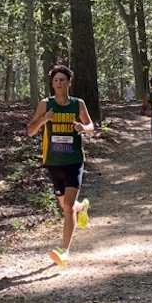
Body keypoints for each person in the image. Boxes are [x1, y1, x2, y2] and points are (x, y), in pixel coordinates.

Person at [26, 65, 95, 266]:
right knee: (68, 206)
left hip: (74, 161)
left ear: (69, 82)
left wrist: (83, 127)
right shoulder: (45, 104)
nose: (58, 83)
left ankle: (64, 251)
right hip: (53, 162)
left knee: (67, 207)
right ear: (52, 83)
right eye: (55, 80)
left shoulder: (77, 104)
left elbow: (91, 126)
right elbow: (30, 131)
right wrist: (44, 119)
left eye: (62, 80)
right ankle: (82, 208)